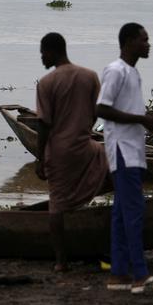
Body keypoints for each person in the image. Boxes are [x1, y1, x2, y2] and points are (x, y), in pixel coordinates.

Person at [96, 23, 153, 293]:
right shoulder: (116, 71)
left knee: (120, 214)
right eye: (144, 40)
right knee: (134, 212)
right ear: (128, 42)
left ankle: (118, 275)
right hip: (123, 151)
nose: (148, 44)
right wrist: (142, 119)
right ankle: (140, 273)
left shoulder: (133, 73)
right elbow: (102, 108)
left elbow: (131, 113)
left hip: (133, 150)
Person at [34, 32, 110, 272]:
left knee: (56, 204)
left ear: (51, 51)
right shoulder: (89, 76)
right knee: (108, 175)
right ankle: (109, 235)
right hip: (86, 146)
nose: (42, 58)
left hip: (59, 151)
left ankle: (61, 262)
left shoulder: (47, 83)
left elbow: (44, 124)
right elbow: (96, 111)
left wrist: (39, 158)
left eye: (42, 53)